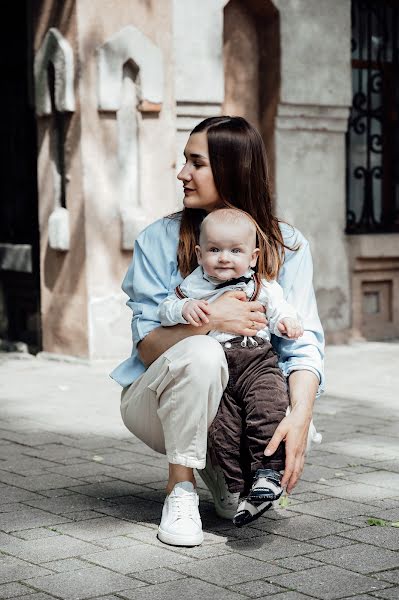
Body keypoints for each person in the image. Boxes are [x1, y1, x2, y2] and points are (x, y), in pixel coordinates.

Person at [110, 116, 324, 547]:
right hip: (155, 400)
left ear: (232, 169)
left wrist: (301, 416)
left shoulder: (287, 246)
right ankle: (180, 489)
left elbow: (301, 347)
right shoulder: (158, 239)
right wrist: (212, 320)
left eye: (196, 163)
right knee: (204, 354)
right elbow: (149, 347)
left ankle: (231, 475)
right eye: (184, 161)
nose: (182, 173)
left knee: (271, 393)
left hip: (242, 393)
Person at [157, 207, 305, 526]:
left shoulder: (260, 285)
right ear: (199, 254)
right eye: (214, 250)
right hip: (217, 369)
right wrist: (184, 309)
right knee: (222, 429)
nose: (224, 257)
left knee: (267, 411)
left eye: (235, 251)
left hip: (256, 361)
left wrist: (287, 322)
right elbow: (164, 310)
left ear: (252, 257)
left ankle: (268, 475)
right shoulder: (192, 287)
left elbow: (279, 308)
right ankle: (240, 489)